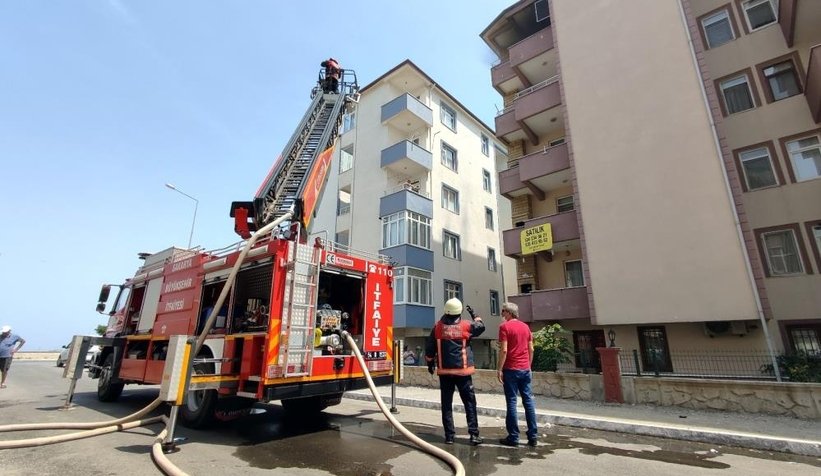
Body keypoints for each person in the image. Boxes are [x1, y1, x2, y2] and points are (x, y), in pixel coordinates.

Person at [425, 298, 485, 445]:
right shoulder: (466, 325)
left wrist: (430, 363)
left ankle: (449, 436)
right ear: (459, 311)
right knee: (469, 403)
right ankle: (474, 435)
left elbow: (430, 348)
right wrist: (475, 315)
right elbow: (481, 326)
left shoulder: (437, 327)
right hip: (463, 373)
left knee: (446, 404)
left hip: (445, 373)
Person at [497, 302, 538, 447]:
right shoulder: (526, 327)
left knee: (512, 402)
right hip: (525, 369)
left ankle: (513, 437)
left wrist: (499, 369)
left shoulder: (504, 327)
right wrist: (529, 366)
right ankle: (533, 436)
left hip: (511, 369)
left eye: (503, 311)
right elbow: (531, 349)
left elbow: (504, 350)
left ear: (509, 312)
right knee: (528, 401)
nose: (502, 314)